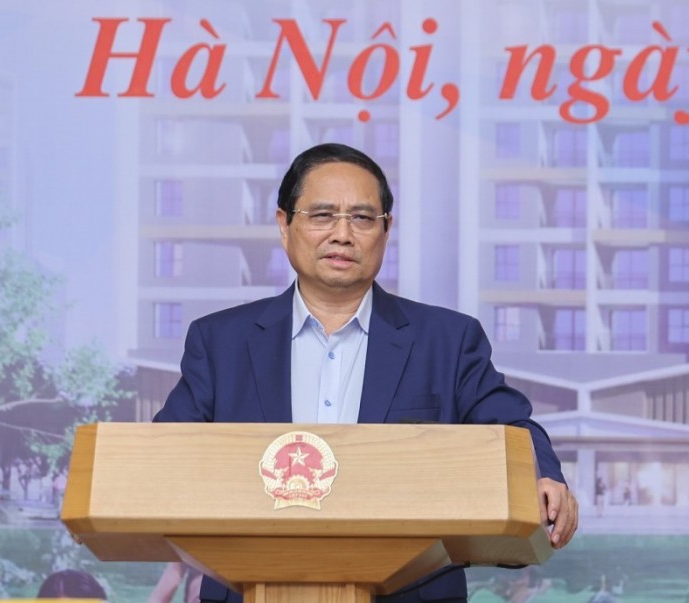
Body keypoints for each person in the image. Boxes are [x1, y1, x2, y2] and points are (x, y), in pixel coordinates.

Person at [154, 143, 578, 603]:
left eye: (361, 218)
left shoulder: (447, 340)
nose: (342, 234)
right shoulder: (221, 342)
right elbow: (164, 458)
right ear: (284, 224)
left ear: (386, 229)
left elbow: (512, 427)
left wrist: (543, 476)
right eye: (322, 216)